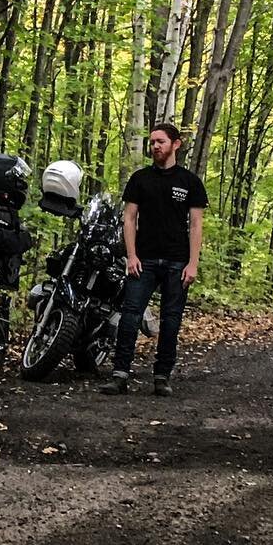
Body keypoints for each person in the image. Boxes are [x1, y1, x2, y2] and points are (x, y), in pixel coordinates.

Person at [100, 121, 207, 397]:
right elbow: (129, 218)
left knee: (171, 320)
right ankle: (119, 375)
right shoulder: (140, 179)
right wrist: (131, 255)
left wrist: (192, 263)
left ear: (175, 145)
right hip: (143, 260)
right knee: (130, 315)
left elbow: (196, 225)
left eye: (160, 141)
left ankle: (162, 376)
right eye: (152, 142)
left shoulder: (190, 182)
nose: (155, 146)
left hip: (177, 262)